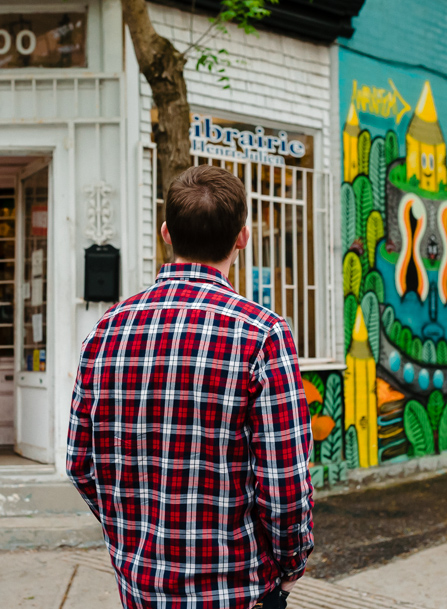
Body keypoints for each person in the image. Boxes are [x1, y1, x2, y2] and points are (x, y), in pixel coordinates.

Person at [67, 165, 315, 609]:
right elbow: (285, 485)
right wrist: (289, 566)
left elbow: (80, 464)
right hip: (236, 590)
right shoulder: (262, 334)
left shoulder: (104, 331)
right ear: (242, 237)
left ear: (166, 233)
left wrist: (130, 539)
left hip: (139, 587)